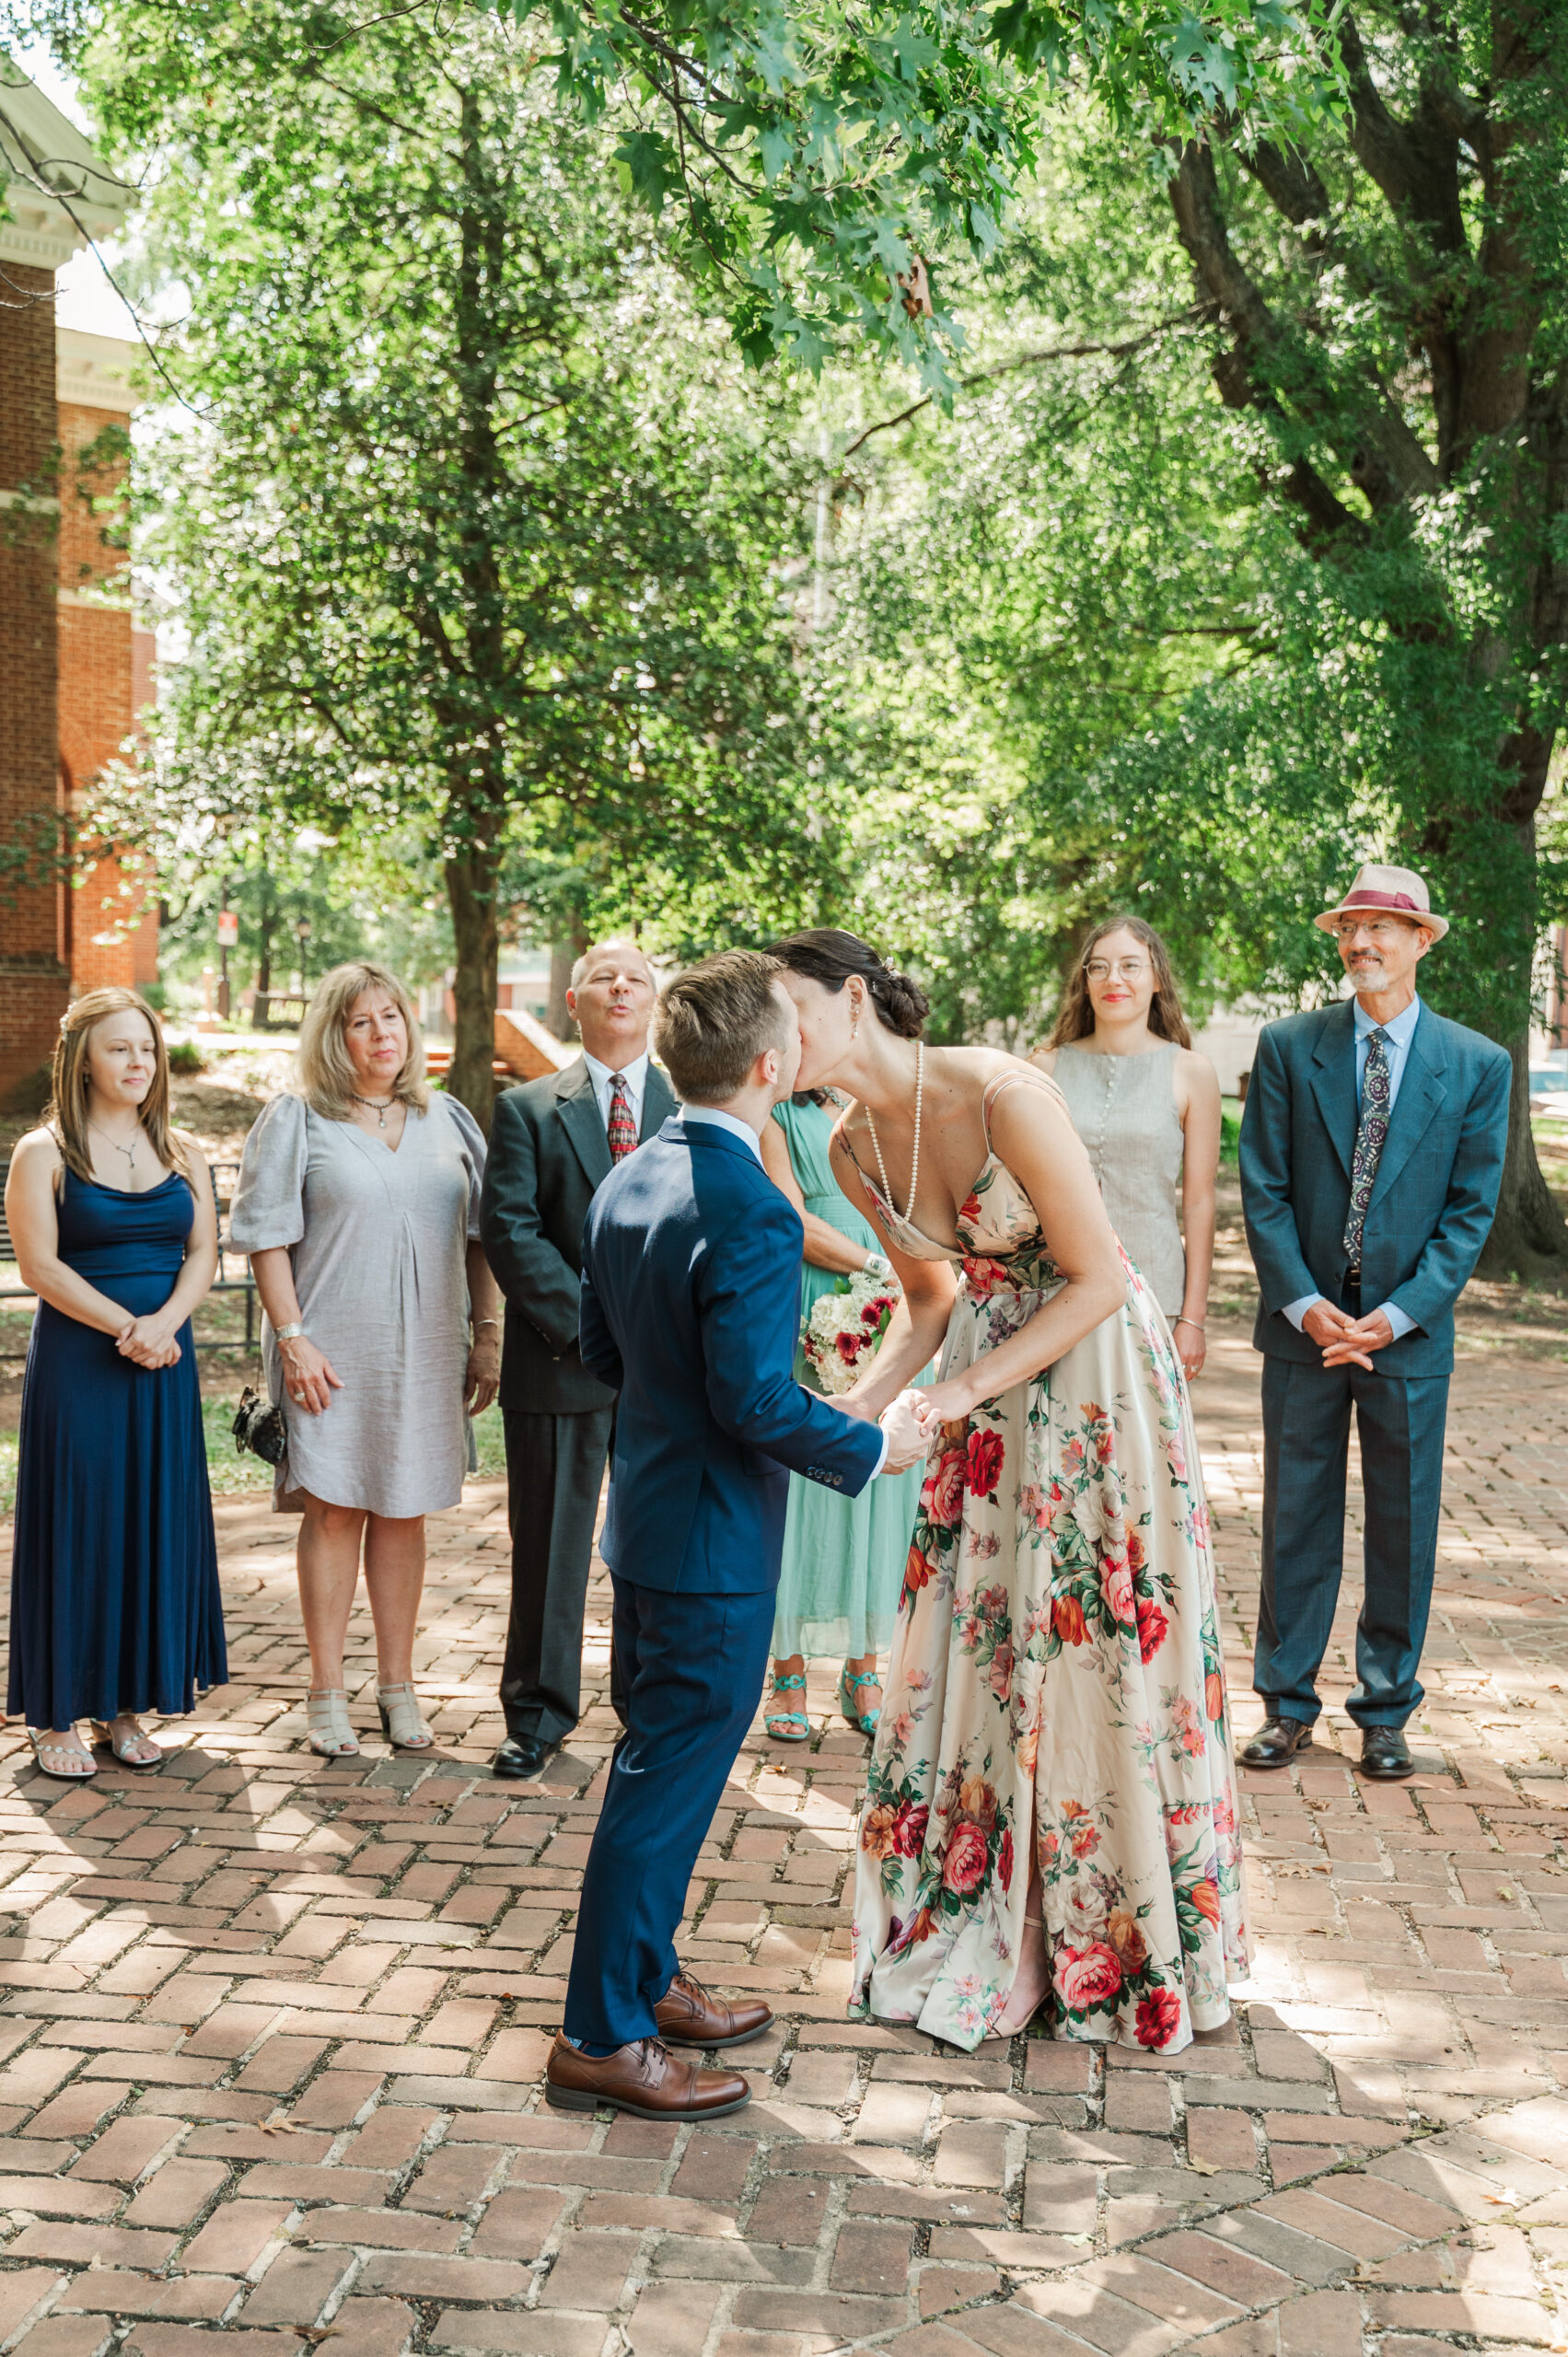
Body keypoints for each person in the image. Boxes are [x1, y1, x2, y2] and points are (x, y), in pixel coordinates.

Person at [769, 927, 1248, 2055]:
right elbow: (931, 1300)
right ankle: (994, 1906)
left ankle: (1110, 1923)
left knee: (1092, 1641)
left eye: (789, 1013)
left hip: (1092, 1382)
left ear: (851, 1002)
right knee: (986, 1641)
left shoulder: (1001, 1091)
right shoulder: (846, 1150)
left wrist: (958, 1391)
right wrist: (863, 1402)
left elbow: (1091, 1278)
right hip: (981, 1386)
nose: (774, 1039)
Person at [544, 951, 924, 2122]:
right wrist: (872, 1447)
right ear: (770, 1064)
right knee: (663, 1783)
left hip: (648, 1517)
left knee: (658, 1766)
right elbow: (755, 1402)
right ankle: (600, 2033)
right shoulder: (753, 1208)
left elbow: (605, 1352)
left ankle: (645, 1980)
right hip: (710, 1542)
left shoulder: (632, 1173)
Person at [1238, 864, 1511, 1781]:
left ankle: (1385, 1710)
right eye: (1350, 927)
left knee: (1401, 1526)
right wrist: (1306, 1304)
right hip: (1301, 1328)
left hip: (1407, 1335)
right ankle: (1284, 1707)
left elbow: (1467, 1214)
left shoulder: (1476, 1064)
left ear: (1421, 941)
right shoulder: (1288, 1046)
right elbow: (1263, 1189)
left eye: (1382, 928)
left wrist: (1390, 1318)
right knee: (1293, 1520)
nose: (1361, 943)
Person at [230, 961, 500, 1759]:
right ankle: (325, 1695)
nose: (383, 1034)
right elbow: (265, 1238)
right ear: (332, 1035)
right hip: (329, 1351)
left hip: (426, 1349)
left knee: (404, 1509)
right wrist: (291, 1338)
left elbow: (483, 1236)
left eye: (393, 1017)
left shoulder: (448, 1118)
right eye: (361, 1021)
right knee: (335, 1510)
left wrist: (488, 1334)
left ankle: (397, 1687)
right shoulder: (297, 1119)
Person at [5, 988, 227, 1779]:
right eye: (119, 1048)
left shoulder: (183, 1151)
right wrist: (127, 1327)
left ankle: (123, 1705)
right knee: (81, 1523)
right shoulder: (44, 1152)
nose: (138, 1063)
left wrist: (165, 1322)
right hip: (82, 1365)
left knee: (145, 1525)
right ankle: (57, 1709)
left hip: (164, 1363)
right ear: (82, 1060)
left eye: (147, 1048)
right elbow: (40, 1266)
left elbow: (204, 1252)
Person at [481, 941, 679, 1782]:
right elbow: (510, 1232)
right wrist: (600, 1328)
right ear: (574, 999)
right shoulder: (526, 1108)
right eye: (605, 976)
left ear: (656, 1001)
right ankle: (536, 1714)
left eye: (637, 977)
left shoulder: (694, 1102)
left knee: (656, 1552)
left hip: (671, 1372)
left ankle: (650, 1710)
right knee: (551, 1551)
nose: (622, 986)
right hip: (559, 1364)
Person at [759, 1089, 929, 1739]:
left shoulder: (888, 1103)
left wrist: (913, 1281)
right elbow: (789, 1217)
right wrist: (878, 1267)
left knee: (885, 1483)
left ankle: (864, 1665)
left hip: (902, 1302)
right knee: (805, 1485)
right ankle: (788, 1671)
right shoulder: (778, 1112)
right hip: (817, 1291)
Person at [1032, 916, 1221, 1382]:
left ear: (1157, 979)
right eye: (1099, 968)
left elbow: (1198, 1202)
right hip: (1052, 1290)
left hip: (1154, 1290)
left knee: (1144, 1444)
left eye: (1130, 966)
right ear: (1085, 982)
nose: (1114, 979)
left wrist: (1192, 1317)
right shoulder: (1044, 1066)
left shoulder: (1192, 1072)